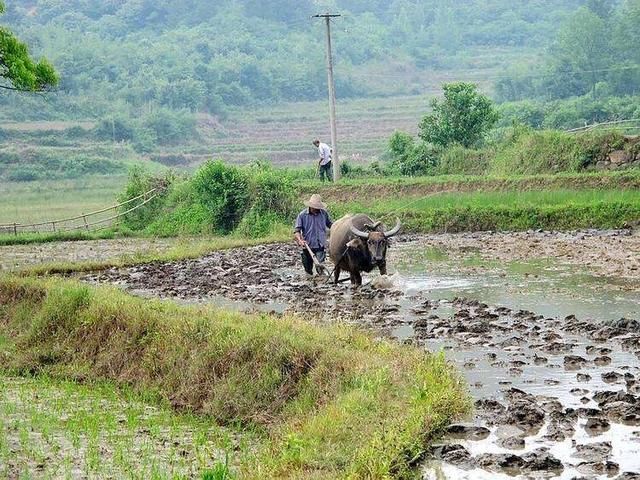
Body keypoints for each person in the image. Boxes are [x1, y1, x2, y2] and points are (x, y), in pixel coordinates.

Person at [294, 194, 333, 276]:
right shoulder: (302, 215)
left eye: (318, 207)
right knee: (308, 271)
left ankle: (322, 282)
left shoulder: (324, 213)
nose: (316, 209)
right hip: (307, 246)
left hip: (320, 245)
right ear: (310, 206)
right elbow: (297, 230)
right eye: (315, 207)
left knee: (320, 269)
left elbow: (331, 225)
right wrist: (300, 240)